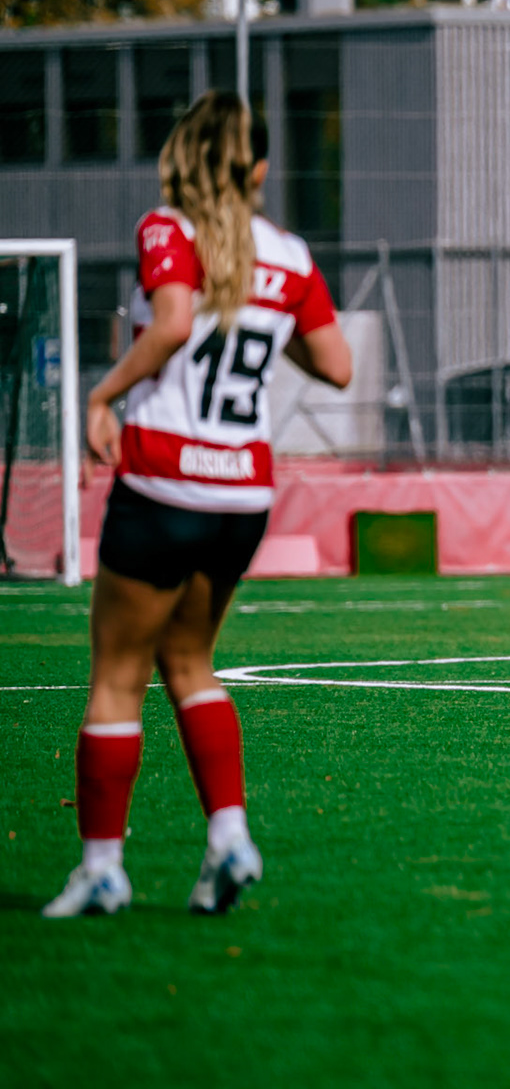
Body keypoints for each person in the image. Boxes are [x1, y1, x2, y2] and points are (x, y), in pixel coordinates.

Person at [43, 92, 352, 918]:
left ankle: (103, 868)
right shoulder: (286, 251)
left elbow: (172, 321)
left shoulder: (167, 228)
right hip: (242, 490)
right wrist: (266, 314)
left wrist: (102, 395)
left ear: (181, 159)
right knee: (190, 665)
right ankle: (229, 838)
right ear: (256, 169)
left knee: (116, 677)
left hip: (166, 475)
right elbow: (339, 365)